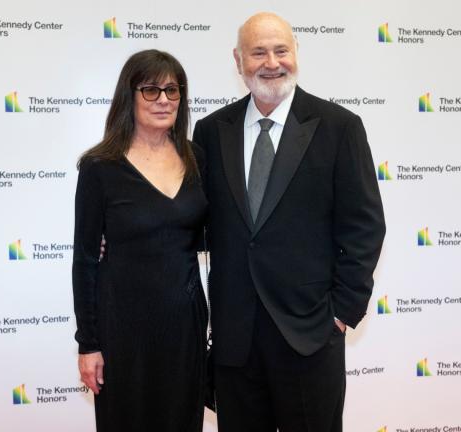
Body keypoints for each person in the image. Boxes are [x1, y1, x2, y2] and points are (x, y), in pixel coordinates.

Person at [192, 12, 385, 432]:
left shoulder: (339, 128)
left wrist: (340, 313)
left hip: (310, 335)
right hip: (234, 340)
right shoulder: (210, 132)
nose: (271, 62)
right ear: (238, 59)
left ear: (297, 52)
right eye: (258, 52)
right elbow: (194, 218)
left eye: (281, 50)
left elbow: (365, 227)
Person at [72, 49, 208, 432]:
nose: (164, 100)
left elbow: (203, 233)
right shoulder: (100, 167)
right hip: (122, 330)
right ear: (129, 95)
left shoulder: (196, 158)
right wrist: (88, 343)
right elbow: (84, 261)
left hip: (184, 326)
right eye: (151, 90)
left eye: (173, 90)